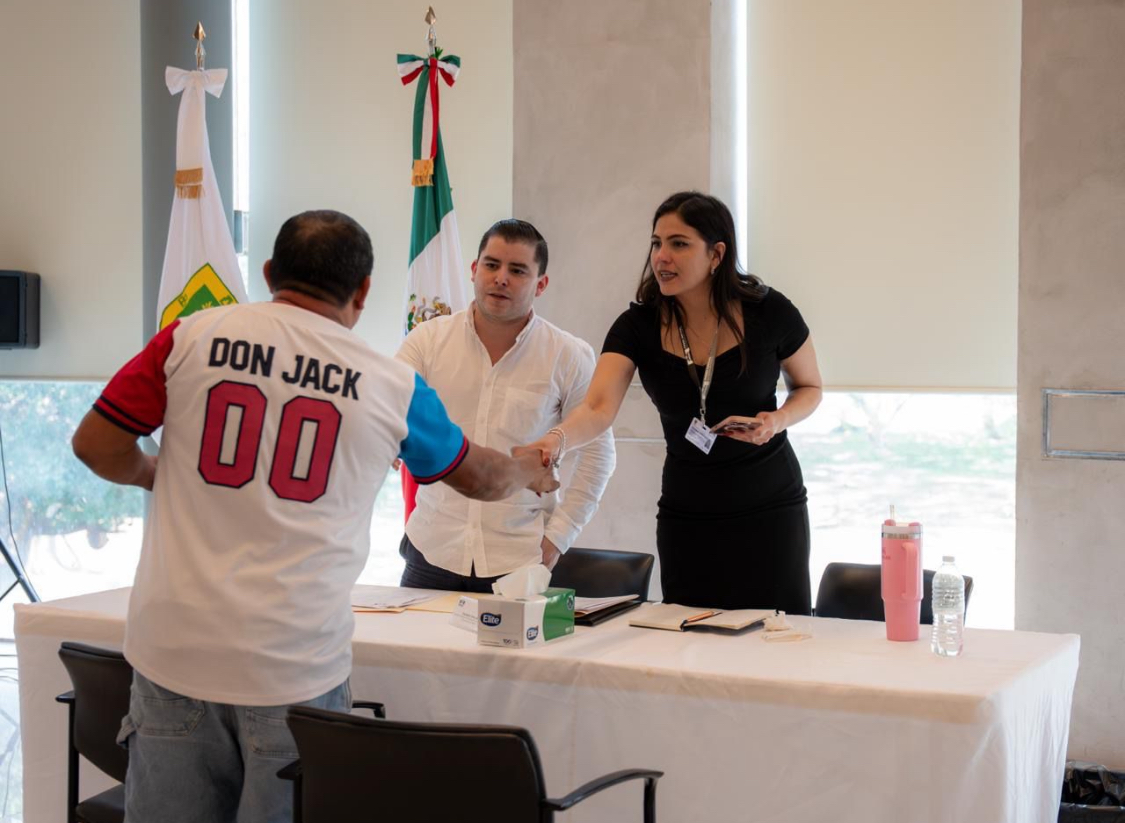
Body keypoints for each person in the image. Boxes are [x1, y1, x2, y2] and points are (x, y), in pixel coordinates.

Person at [71, 210, 557, 823]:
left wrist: (157, 475)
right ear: (363, 291)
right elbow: (480, 477)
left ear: (269, 272)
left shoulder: (188, 338)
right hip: (294, 668)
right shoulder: (390, 384)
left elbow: (95, 444)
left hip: (174, 653)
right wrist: (528, 468)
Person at [521, 192, 822, 613]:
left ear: (717, 254)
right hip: (688, 513)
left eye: (679, 244)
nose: (661, 256)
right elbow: (597, 408)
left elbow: (810, 387)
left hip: (770, 509)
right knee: (688, 636)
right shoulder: (637, 326)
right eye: (657, 243)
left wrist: (777, 420)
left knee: (777, 634)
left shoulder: (769, 311)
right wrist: (556, 439)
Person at [396, 219, 615, 591]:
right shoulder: (427, 340)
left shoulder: (568, 355)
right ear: (474, 269)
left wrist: (558, 538)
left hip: (518, 560)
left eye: (517, 270)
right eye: (491, 265)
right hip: (431, 549)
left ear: (540, 284)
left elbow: (599, 454)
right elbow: (389, 410)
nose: (501, 278)